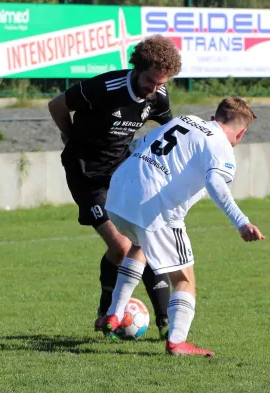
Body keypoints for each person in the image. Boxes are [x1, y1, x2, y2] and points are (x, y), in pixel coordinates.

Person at [100, 97, 265, 357]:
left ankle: (113, 314)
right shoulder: (220, 144)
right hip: (156, 207)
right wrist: (241, 222)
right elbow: (216, 184)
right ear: (241, 132)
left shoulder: (182, 120)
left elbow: (138, 145)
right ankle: (178, 342)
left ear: (215, 116)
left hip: (118, 194)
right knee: (185, 280)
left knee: (140, 245)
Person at [47, 35, 183, 338]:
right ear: (137, 68)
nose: (153, 89)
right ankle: (108, 308)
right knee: (121, 246)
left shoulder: (158, 96)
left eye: (160, 84)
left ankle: (164, 322)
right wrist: (70, 138)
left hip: (123, 172)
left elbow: (168, 132)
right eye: (150, 81)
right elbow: (56, 105)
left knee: (144, 241)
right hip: (86, 174)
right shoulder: (105, 87)